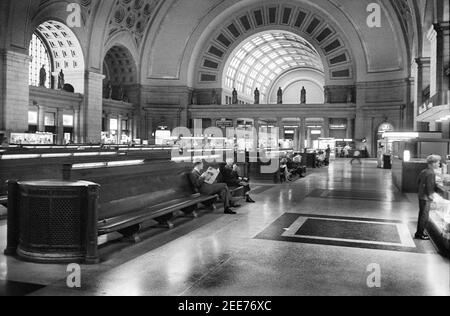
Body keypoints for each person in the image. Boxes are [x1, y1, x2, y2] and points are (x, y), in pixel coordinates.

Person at [415, 155, 441, 240]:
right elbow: (429, 187)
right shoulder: (431, 173)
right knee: (424, 216)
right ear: (433, 163)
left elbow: (418, 181)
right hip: (426, 198)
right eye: (438, 162)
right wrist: (432, 197)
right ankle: (420, 234)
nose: (439, 164)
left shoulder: (424, 171)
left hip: (421, 195)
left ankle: (419, 232)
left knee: (421, 214)